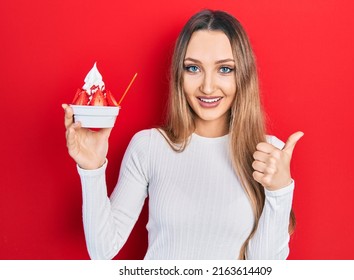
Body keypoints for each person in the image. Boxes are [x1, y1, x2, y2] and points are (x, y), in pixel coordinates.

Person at [62, 9, 303, 260]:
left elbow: (264, 268)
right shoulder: (149, 147)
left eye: (224, 70)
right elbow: (102, 251)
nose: (207, 86)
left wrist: (280, 190)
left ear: (243, 75)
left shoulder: (269, 154)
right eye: (193, 68)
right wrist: (92, 169)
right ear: (179, 73)